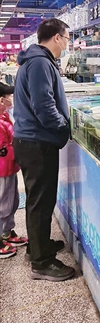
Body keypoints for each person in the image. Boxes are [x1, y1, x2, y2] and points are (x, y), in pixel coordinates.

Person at [13, 19, 75, 281]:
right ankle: (42, 263)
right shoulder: (40, 62)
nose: (67, 44)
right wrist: (64, 127)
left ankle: (39, 247)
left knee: (39, 200)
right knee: (40, 202)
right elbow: (44, 106)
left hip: (31, 140)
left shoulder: (36, 60)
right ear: (57, 37)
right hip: (37, 143)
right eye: (67, 38)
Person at [0, 82, 28, 258]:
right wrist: (19, 151)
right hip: (2, 170)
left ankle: (7, 232)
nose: (10, 100)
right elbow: (5, 148)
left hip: (10, 168)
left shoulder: (4, 117)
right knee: (2, 203)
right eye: (7, 97)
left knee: (12, 201)